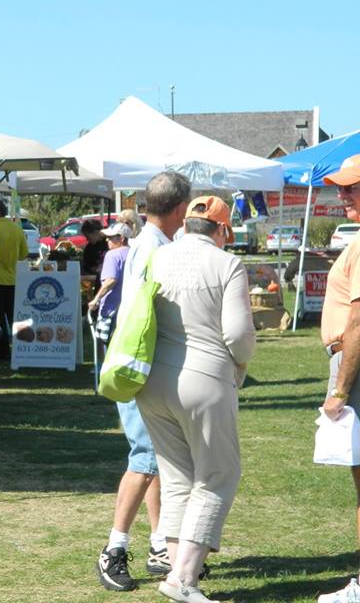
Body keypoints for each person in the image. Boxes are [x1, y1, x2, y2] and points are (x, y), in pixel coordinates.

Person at [137, 196, 255, 603]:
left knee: (176, 478)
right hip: (204, 379)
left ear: (185, 223)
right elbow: (238, 335)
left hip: (151, 382)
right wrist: (240, 365)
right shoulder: (227, 264)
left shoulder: (159, 257)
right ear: (223, 230)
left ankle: (178, 573)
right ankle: (183, 578)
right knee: (218, 475)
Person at [97, 170, 192, 593]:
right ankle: (113, 549)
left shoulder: (149, 244)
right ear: (180, 209)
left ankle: (158, 543)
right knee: (145, 458)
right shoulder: (157, 250)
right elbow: (151, 313)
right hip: (140, 365)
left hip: (139, 362)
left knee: (154, 457)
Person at [316, 155, 360, 603]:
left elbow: (359, 321)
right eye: (341, 187)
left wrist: (340, 390)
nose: (341, 194)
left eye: (351, 187)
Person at [0, 199, 27, 361]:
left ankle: (3, 351)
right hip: (13, 279)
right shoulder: (17, 229)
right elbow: (24, 254)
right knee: (13, 315)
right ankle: (20, 348)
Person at [87, 222, 132, 354]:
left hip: (111, 308)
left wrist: (96, 299)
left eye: (111, 237)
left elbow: (111, 280)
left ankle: (103, 370)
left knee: (104, 341)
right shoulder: (134, 253)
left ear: (121, 238)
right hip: (130, 307)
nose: (107, 240)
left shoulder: (112, 255)